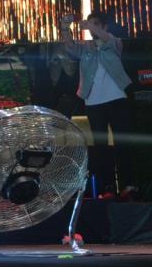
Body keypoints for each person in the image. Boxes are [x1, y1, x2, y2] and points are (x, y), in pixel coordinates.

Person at [58, 12, 136, 199]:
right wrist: (65, 27)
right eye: (90, 24)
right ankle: (107, 187)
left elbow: (108, 38)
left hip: (117, 98)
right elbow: (70, 46)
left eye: (96, 24)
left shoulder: (114, 43)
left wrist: (90, 26)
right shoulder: (86, 48)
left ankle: (128, 185)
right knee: (100, 147)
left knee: (122, 142)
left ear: (104, 26)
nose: (91, 28)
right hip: (94, 102)